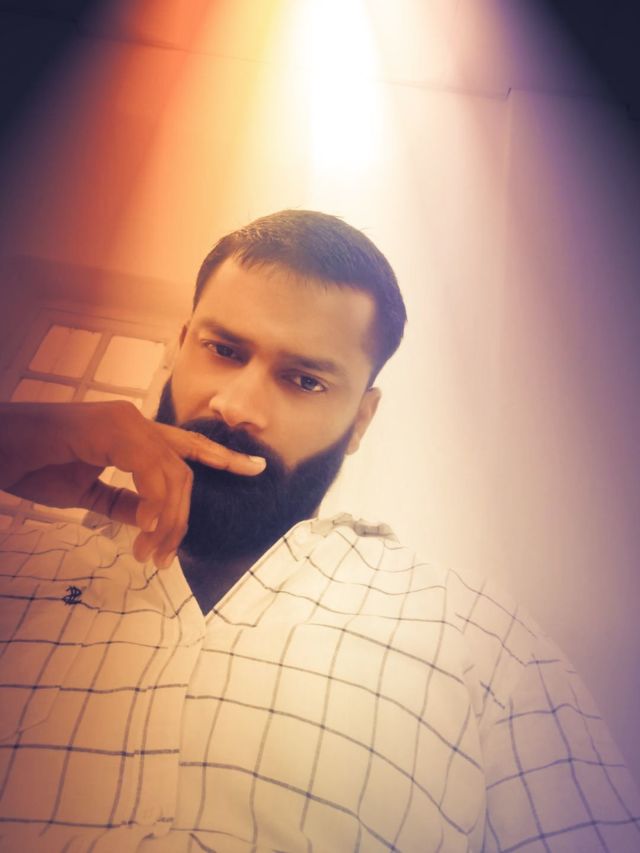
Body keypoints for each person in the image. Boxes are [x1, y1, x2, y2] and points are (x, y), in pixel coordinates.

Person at [0, 210, 638, 852]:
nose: (237, 407)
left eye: (305, 380)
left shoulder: (474, 633)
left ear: (360, 421)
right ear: (178, 346)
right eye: (223, 350)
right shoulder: (18, 568)